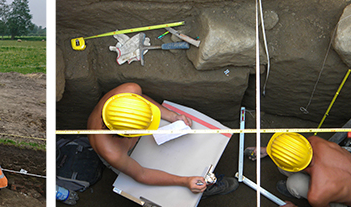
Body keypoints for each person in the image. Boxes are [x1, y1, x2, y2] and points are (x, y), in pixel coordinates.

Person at [87, 83, 238, 196]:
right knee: (169, 186)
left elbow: (143, 101)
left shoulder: (129, 92)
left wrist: (173, 116)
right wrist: (185, 181)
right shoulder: (112, 152)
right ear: (128, 134)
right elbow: (142, 174)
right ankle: (200, 190)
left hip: (126, 141)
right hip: (127, 157)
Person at [251, 132, 351, 207]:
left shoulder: (317, 195)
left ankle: (296, 191)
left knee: (293, 184)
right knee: (284, 168)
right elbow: (296, 151)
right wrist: (270, 150)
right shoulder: (314, 141)